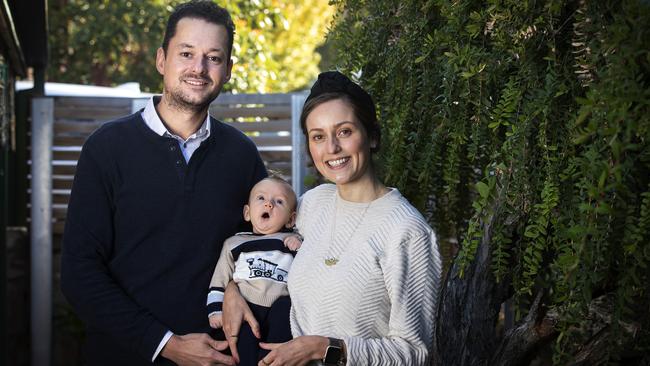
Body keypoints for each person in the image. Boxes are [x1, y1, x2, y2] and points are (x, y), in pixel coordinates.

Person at [60, 2, 267, 365]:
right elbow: (79, 275)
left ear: (229, 70)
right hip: (122, 357)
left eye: (213, 58)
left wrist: (235, 287)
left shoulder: (242, 155)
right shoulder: (106, 148)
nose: (198, 69)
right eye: (186, 53)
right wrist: (165, 343)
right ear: (161, 60)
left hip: (219, 358)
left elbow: (262, 247)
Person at [221, 71, 443, 366]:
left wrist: (324, 348)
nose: (332, 148)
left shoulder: (407, 231)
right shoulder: (312, 204)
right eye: (318, 136)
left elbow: (415, 352)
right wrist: (233, 290)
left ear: (372, 136)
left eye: (345, 131)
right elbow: (267, 253)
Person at [207, 177, 301, 366]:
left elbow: (309, 269)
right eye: (261, 198)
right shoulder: (235, 243)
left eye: (279, 201)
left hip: (281, 306)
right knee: (243, 350)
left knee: (281, 333)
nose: (269, 203)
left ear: (291, 219)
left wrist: (299, 245)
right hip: (245, 305)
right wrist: (215, 311)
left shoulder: (291, 240)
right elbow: (220, 278)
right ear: (247, 213)